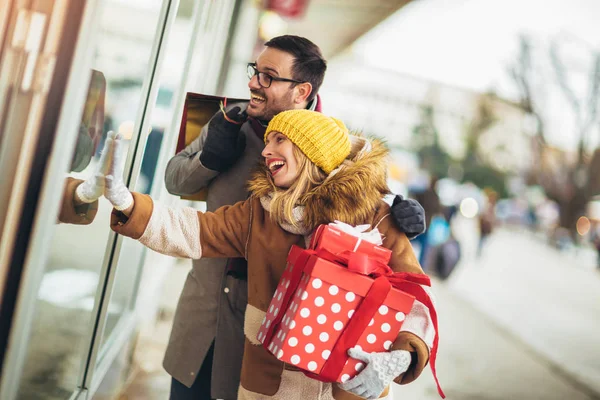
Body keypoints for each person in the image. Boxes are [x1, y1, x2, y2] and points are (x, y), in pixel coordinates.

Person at [96, 109, 436, 400]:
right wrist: (127, 202)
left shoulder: (377, 217)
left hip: (345, 384)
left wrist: (401, 358)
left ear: (309, 152)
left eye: (279, 141)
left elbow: (414, 299)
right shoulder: (261, 212)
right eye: (268, 140)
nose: (265, 151)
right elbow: (193, 230)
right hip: (268, 385)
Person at [163, 35, 426, 399]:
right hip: (205, 309)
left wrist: (401, 214)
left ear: (302, 91)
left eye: (269, 76)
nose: (254, 82)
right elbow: (173, 180)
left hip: (275, 327)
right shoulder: (225, 119)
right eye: (256, 71)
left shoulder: (331, 146)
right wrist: (209, 158)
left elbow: (367, 208)